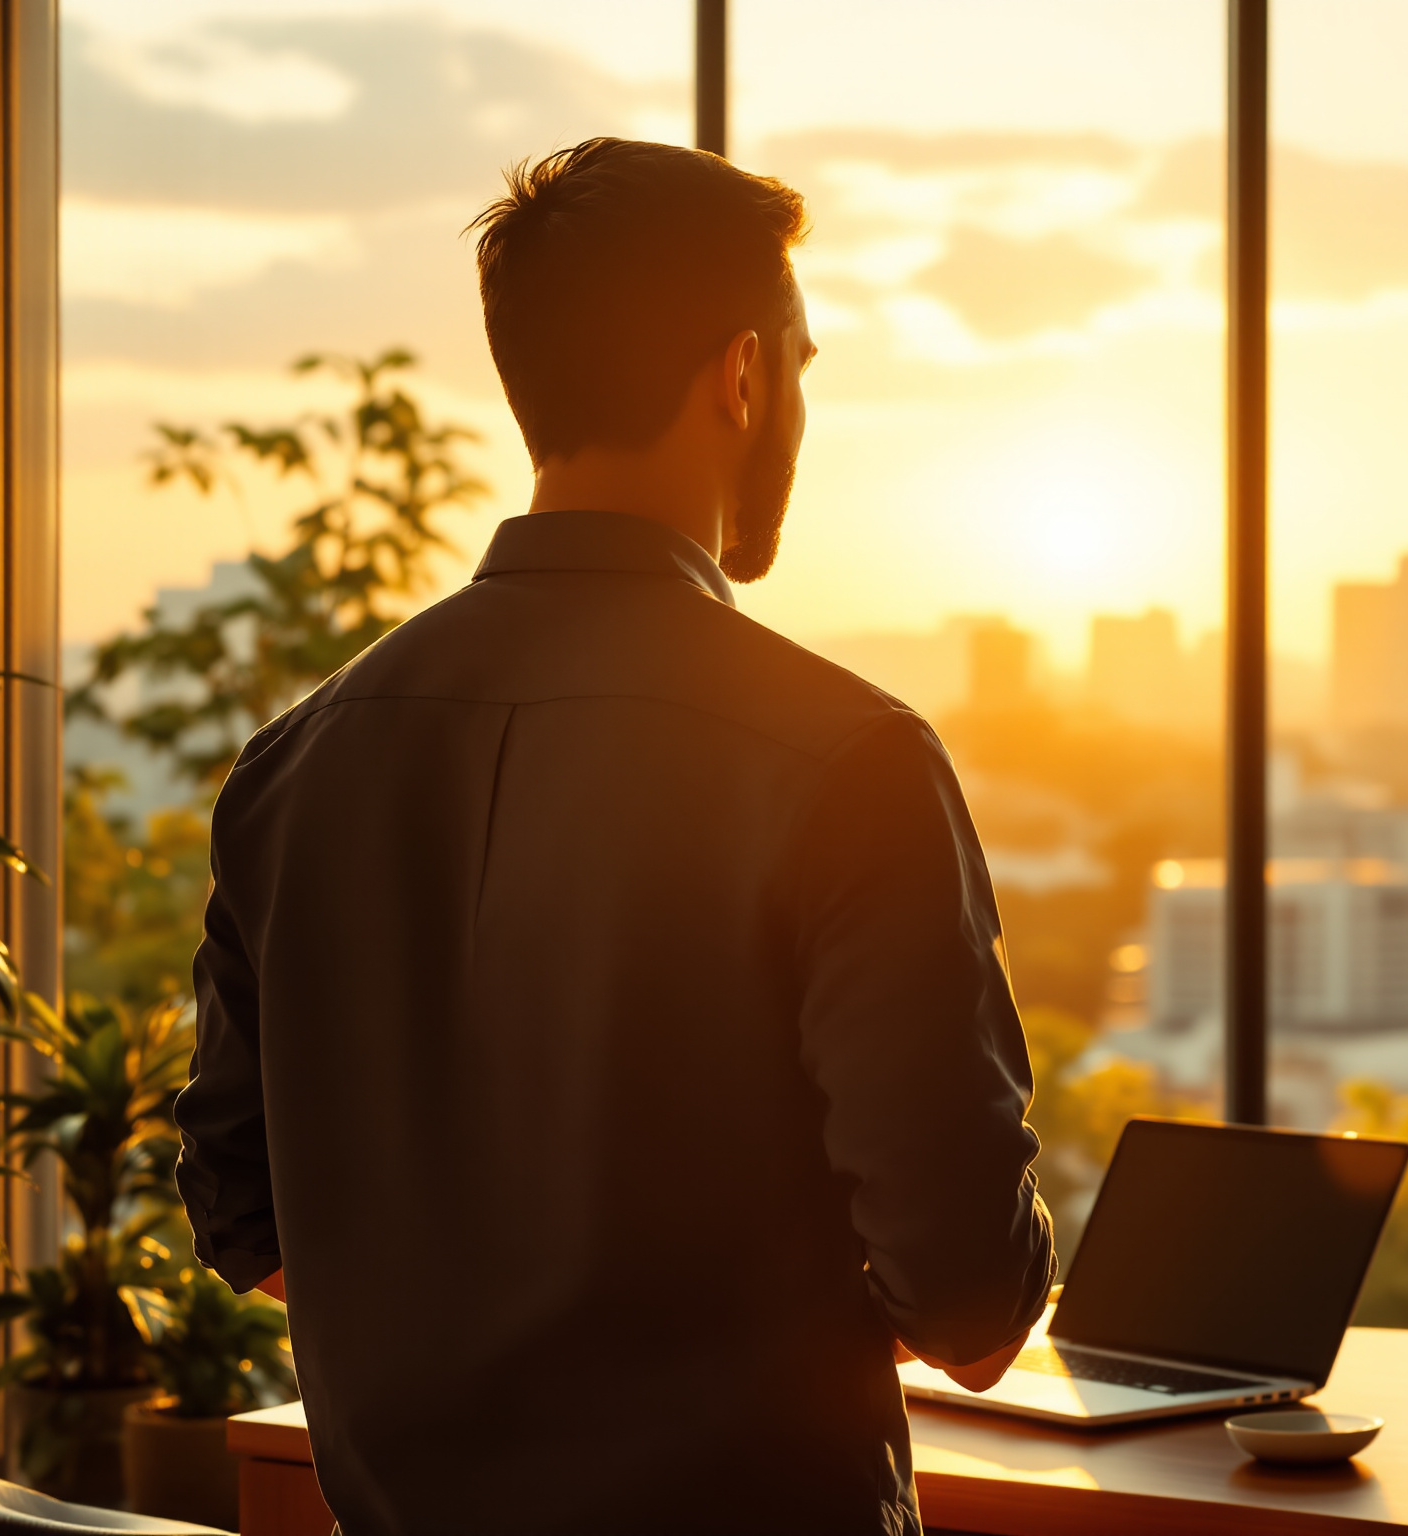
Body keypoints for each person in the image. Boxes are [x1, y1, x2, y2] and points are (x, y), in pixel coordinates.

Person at [174, 137, 1055, 1536]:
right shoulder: (847, 762)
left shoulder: (295, 767)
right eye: (802, 367)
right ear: (744, 376)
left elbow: (241, 1215)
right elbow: (970, 1307)